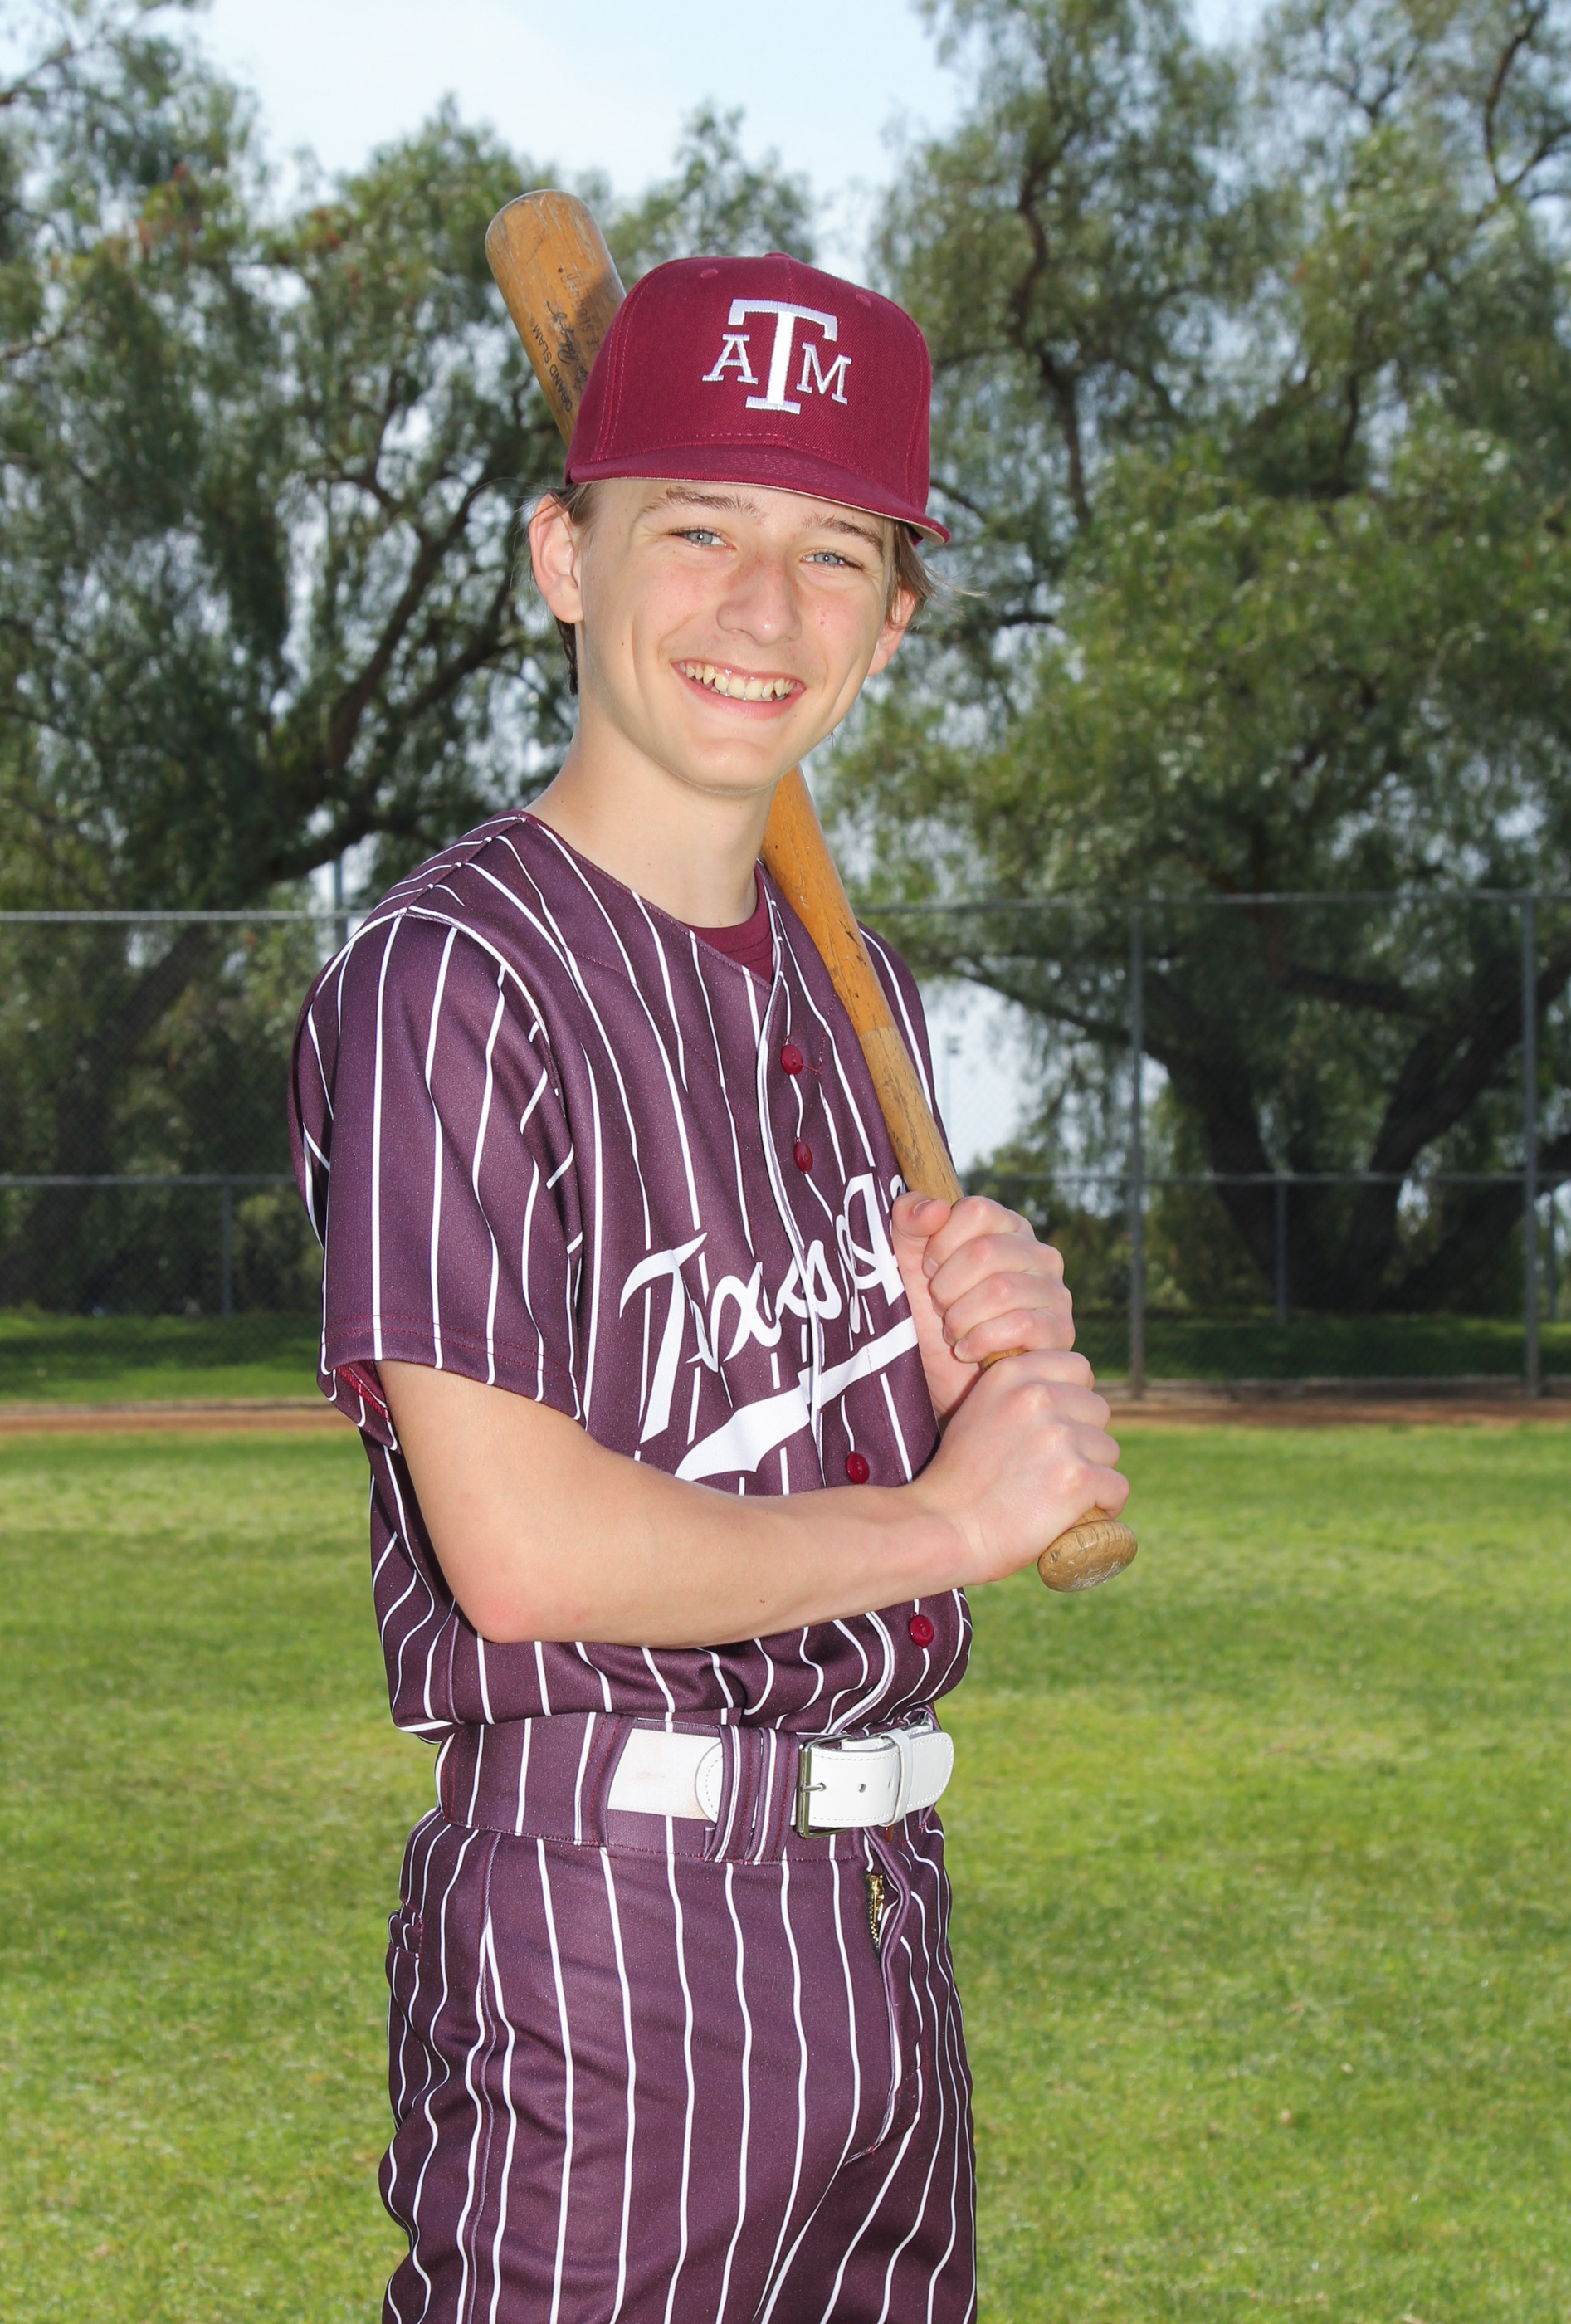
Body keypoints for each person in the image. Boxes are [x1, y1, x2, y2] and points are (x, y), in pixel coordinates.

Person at [290, 249, 1127, 2324]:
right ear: (561, 559)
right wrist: (951, 1515)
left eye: (833, 552)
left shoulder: (867, 999)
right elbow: (524, 1548)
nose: (764, 609)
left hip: (881, 1913)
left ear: (892, 620)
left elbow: (795, 1428)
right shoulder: (451, 980)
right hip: (611, 1932)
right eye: (695, 529)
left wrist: (965, 1356)